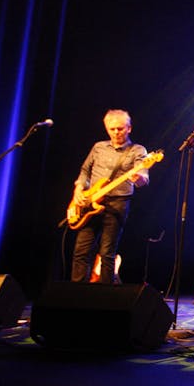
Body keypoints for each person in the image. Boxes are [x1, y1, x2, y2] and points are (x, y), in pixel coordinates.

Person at [70, 109, 150, 283]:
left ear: (129, 128)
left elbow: (144, 179)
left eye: (120, 129)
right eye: (112, 129)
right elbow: (85, 171)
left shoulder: (137, 150)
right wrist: (78, 190)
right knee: (81, 251)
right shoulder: (98, 147)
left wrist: (138, 178)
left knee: (107, 253)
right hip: (89, 204)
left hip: (117, 204)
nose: (116, 133)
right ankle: (76, 294)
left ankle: (104, 297)